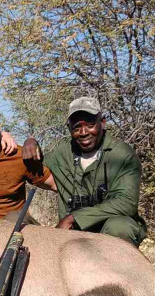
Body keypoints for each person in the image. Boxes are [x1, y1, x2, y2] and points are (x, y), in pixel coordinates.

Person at [45, 97, 147, 246]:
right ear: (69, 128)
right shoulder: (62, 152)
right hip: (71, 235)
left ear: (103, 123)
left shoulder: (122, 154)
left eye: (90, 124)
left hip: (106, 231)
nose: (84, 132)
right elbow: (29, 164)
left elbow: (126, 203)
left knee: (121, 227)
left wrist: (74, 218)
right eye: (76, 127)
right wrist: (23, 141)